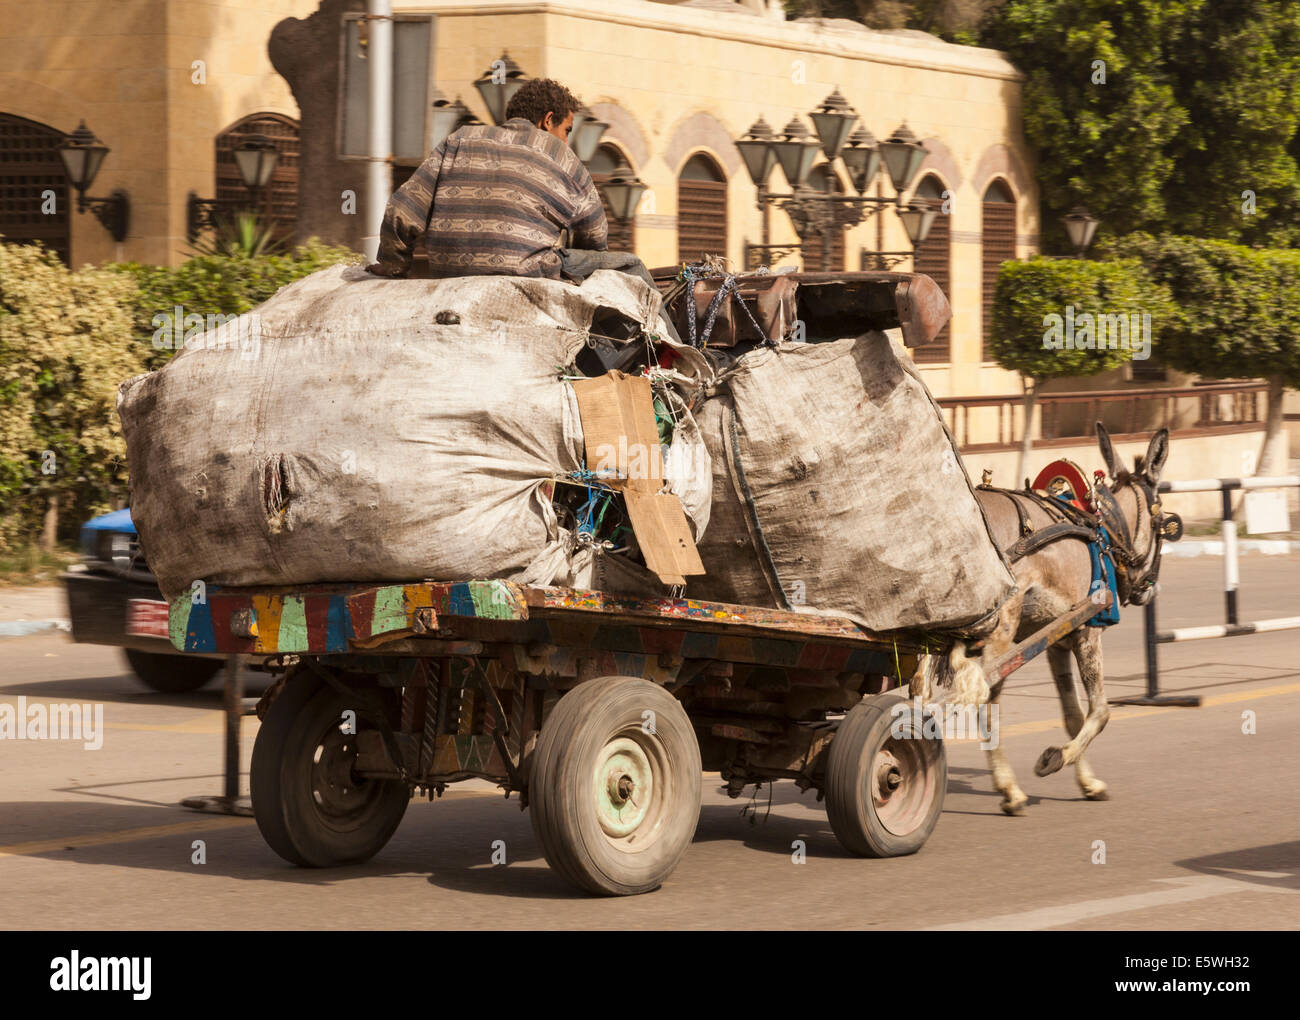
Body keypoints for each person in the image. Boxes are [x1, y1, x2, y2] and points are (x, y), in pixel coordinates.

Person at [367, 77, 682, 341]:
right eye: (567, 130)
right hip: (526, 272)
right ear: (548, 120)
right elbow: (594, 238)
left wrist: (394, 265)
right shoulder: (563, 157)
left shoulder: (459, 139)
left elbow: (403, 209)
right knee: (629, 266)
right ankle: (685, 361)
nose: (567, 141)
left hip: (449, 272)